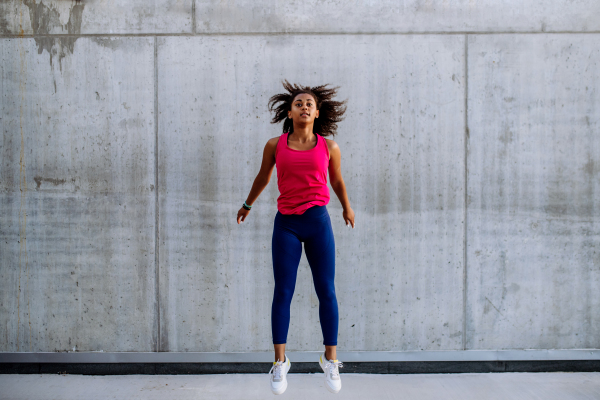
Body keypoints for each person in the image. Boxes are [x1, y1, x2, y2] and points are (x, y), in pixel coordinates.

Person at [236, 80, 355, 395]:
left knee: (326, 290)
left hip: (318, 222)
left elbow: (337, 180)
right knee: (283, 292)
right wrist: (248, 204)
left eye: (309, 104)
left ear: (317, 113)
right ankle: (279, 362)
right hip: (286, 225)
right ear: (289, 112)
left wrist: (347, 207)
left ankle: (329, 359)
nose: (304, 106)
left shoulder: (329, 147)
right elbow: (263, 177)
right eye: (299, 103)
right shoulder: (275, 145)